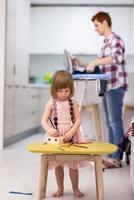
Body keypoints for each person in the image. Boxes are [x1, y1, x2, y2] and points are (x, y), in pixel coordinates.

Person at [73, 11, 128, 168]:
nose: (95, 28)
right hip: (106, 86)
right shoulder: (106, 42)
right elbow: (100, 64)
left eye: (97, 25)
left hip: (115, 86)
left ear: (105, 23)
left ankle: (117, 158)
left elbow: (115, 58)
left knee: (114, 122)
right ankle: (112, 154)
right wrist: (83, 64)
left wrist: (96, 61)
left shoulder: (115, 40)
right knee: (109, 123)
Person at [41, 70, 85, 198]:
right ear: (53, 89)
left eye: (66, 91)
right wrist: (49, 130)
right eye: (59, 91)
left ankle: (76, 189)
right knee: (58, 164)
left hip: (71, 137)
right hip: (56, 138)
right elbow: (43, 120)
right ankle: (60, 188)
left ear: (71, 89)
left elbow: (78, 120)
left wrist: (72, 131)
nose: (63, 94)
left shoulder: (73, 102)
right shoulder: (50, 103)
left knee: (73, 165)